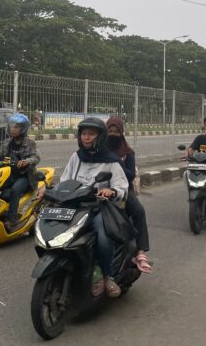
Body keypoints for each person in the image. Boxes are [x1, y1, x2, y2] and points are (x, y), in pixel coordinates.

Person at [60, 117, 129, 298]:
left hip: (98, 207)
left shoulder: (111, 160)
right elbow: (64, 181)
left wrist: (111, 191)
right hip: (75, 205)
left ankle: (107, 276)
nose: (86, 138)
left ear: (100, 137)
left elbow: (122, 187)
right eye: (84, 133)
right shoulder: (76, 157)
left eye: (91, 134)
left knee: (104, 239)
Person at [106, 117, 151, 274]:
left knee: (138, 211)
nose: (112, 135)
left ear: (121, 132)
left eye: (115, 132)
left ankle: (141, 251)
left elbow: (131, 175)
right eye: (109, 132)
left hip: (123, 189)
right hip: (100, 189)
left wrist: (116, 163)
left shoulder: (127, 152)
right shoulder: (98, 150)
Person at [0, 113, 41, 231]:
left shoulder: (30, 143)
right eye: (12, 126)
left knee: (15, 190)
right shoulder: (7, 142)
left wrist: (27, 161)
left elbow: (36, 157)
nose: (13, 129)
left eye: (17, 127)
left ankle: (12, 220)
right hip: (9, 174)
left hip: (25, 176)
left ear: (23, 128)